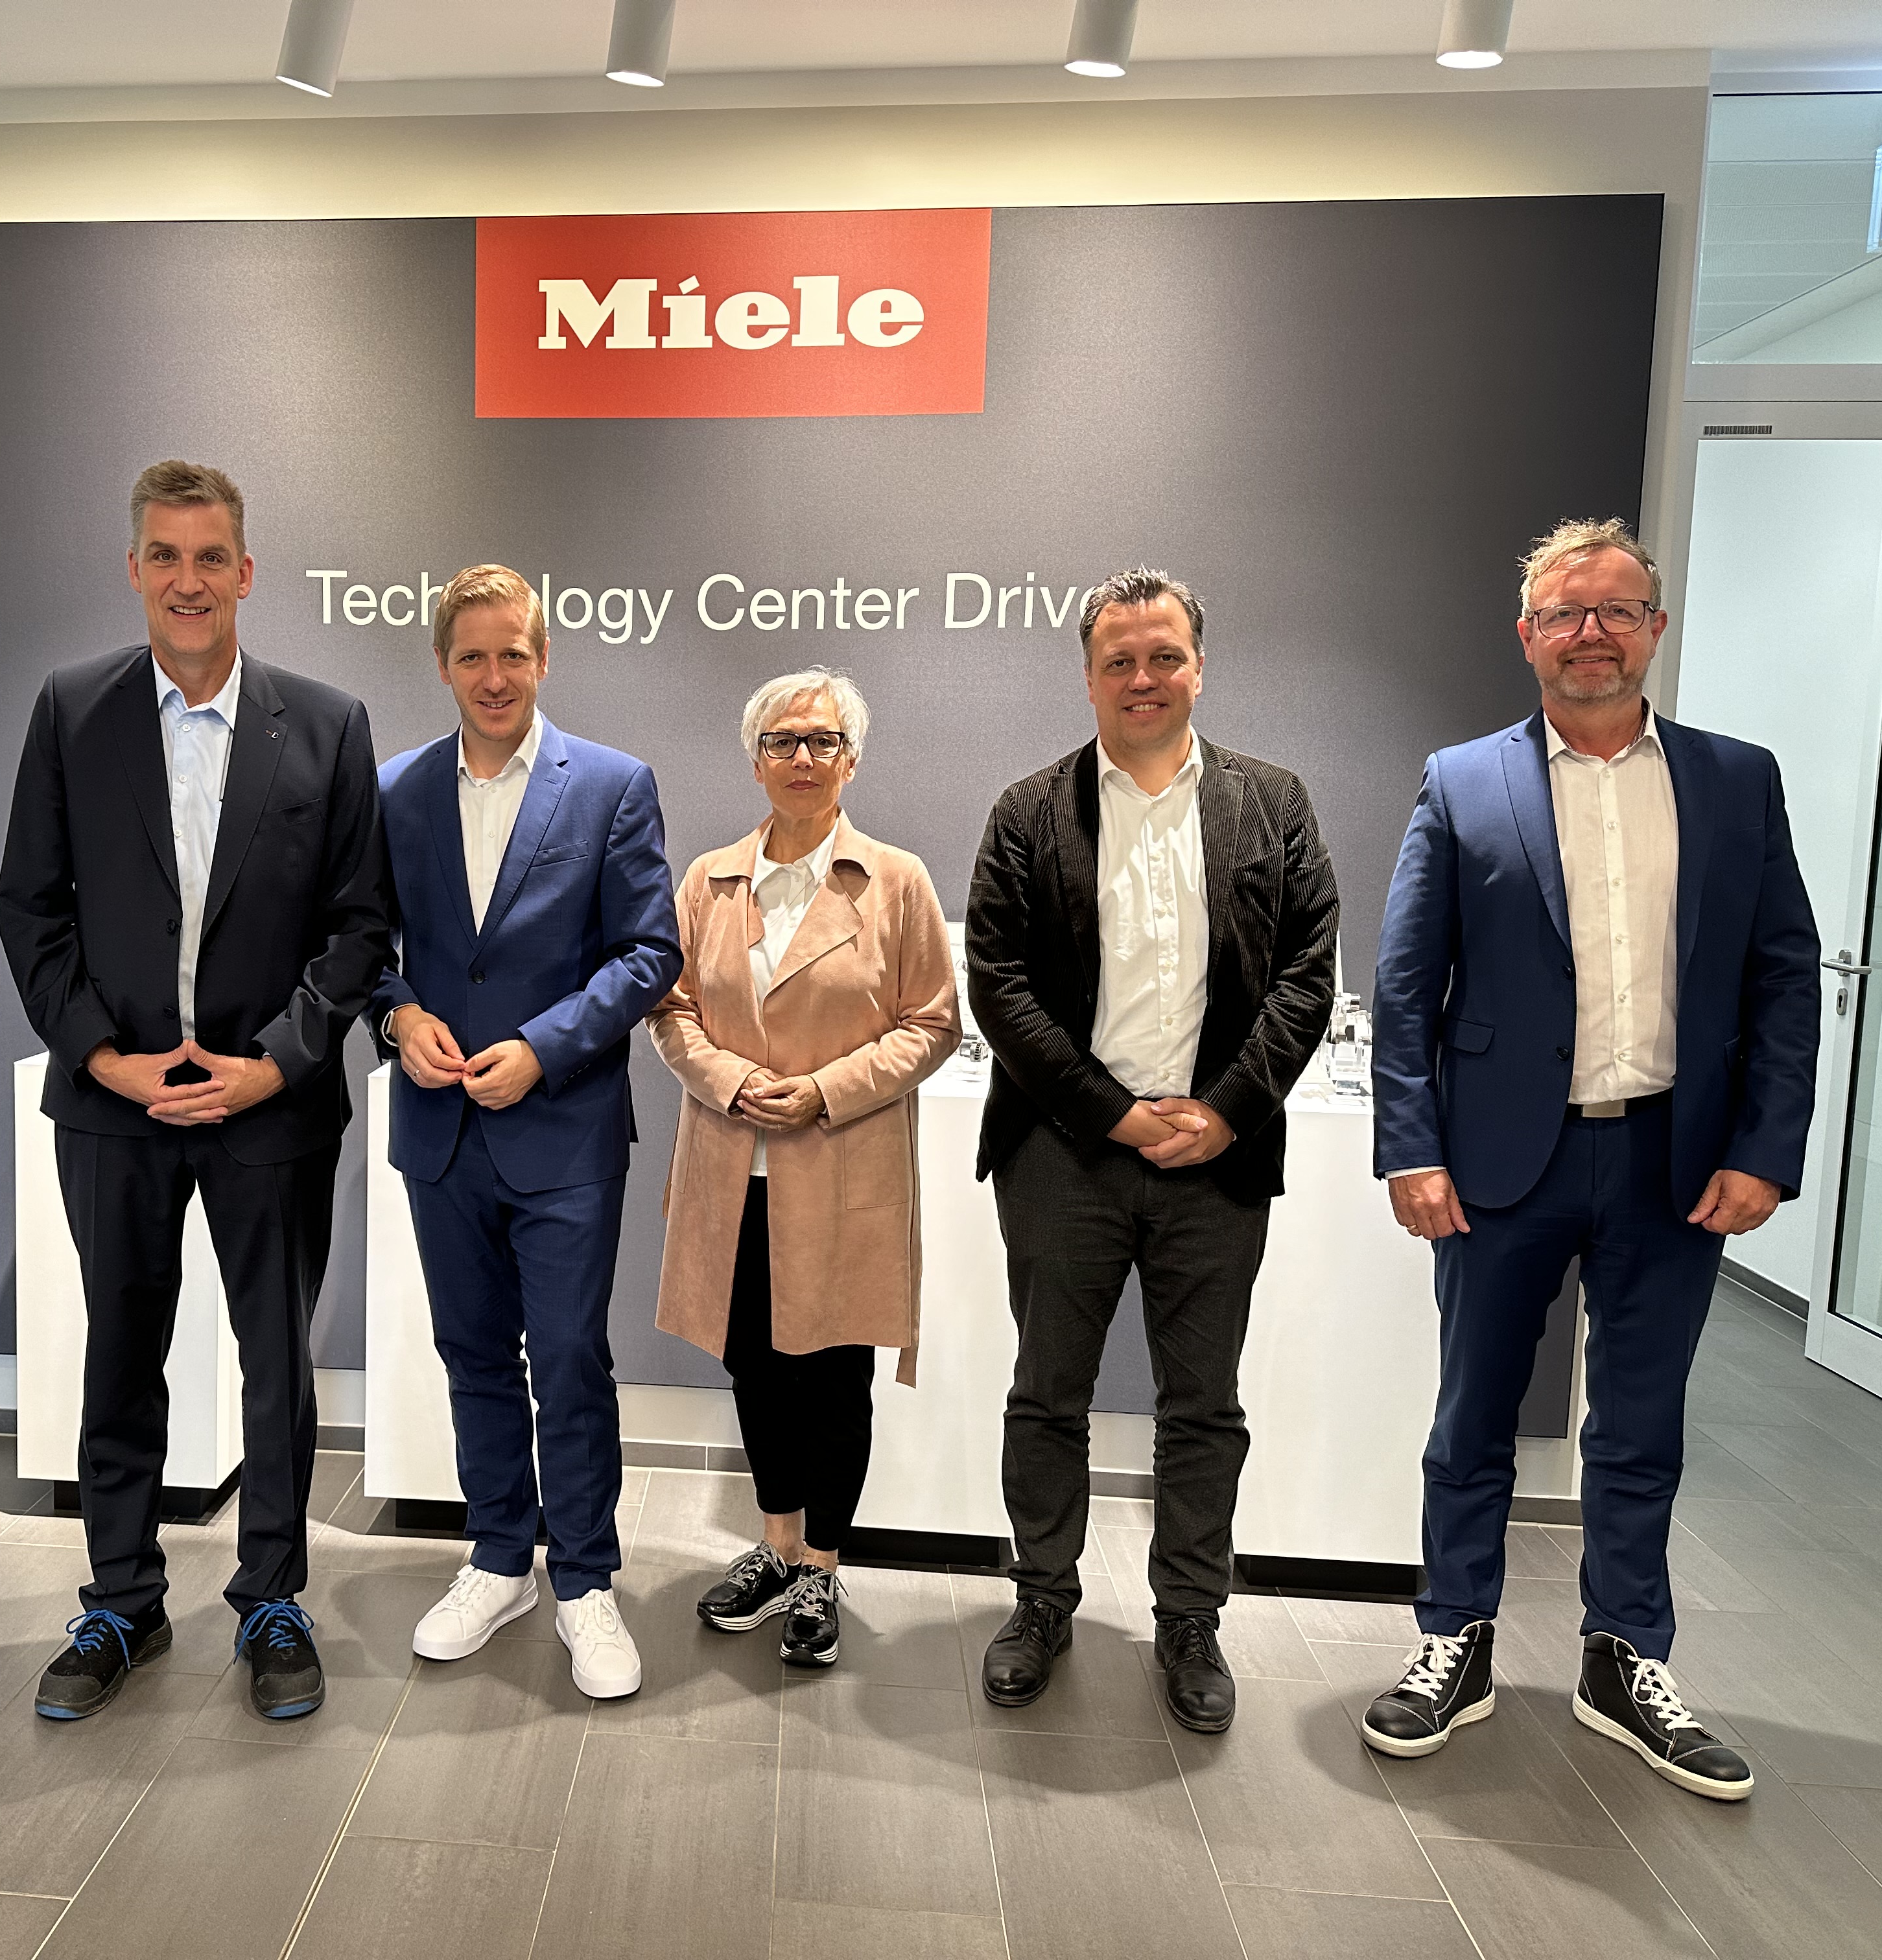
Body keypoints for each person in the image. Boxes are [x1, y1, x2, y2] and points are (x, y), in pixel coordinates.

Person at [1364, 518, 1819, 1800]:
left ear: (1655, 629)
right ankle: (1455, 1641)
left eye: (1616, 611)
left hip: (1675, 1160)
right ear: (1528, 637)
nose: (1590, 634)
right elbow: (1405, 983)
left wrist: (1767, 1148)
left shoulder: (1737, 781)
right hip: (1501, 1163)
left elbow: (1785, 976)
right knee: (1473, 1418)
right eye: (1564, 614)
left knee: (1640, 1427)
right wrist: (1411, 1146)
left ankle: (1627, 1658)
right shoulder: (1464, 781)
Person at [0, 461, 392, 1724]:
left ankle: (271, 1598)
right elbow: (31, 905)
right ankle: (122, 1598)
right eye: (164, 556)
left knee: (276, 1365)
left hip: (269, 1108)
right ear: (134, 569)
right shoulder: (72, 710)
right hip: (114, 1107)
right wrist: (99, 1055)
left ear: (246, 572)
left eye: (210, 556)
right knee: (121, 1354)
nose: (187, 579)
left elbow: (359, 926)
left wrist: (275, 1061)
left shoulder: (325, 724)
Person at [966, 566, 1337, 1733]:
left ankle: (1190, 1620)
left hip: (1218, 1156)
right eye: (1119, 660)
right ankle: (1041, 1601)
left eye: (1164, 655)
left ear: (1198, 668)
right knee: (1048, 1397)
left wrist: (1225, 1111)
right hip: (1064, 1152)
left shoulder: (1273, 803)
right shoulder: (1030, 811)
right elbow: (1000, 984)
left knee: (1203, 1407)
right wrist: (1113, 1114)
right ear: (1088, 677)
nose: (1143, 677)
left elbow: (1307, 972)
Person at [374, 565, 681, 1700]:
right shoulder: (395, 790)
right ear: (443, 666)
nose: (494, 676)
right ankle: (500, 1558)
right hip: (441, 1131)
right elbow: (363, 946)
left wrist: (544, 1048)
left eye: (514, 653)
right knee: (473, 1356)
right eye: (473, 656)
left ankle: (586, 1582)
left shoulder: (611, 784)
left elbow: (650, 953)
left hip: (562, 1130)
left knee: (567, 1359)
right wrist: (397, 1017)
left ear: (544, 658)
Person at [649, 669, 959, 1667]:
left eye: (823, 741)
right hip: (731, 1166)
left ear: (851, 760)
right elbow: (671, 1009)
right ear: (755, 761)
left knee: (832, 1377)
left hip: (842, 1165)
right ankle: (777, 1547)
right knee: (753, 1365)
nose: (802, 757)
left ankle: (823, 1564)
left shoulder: (897, 881)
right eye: (782, 741)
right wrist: (734, 1081)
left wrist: (825, 1090)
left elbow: (933, 1023)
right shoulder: (708, 881)